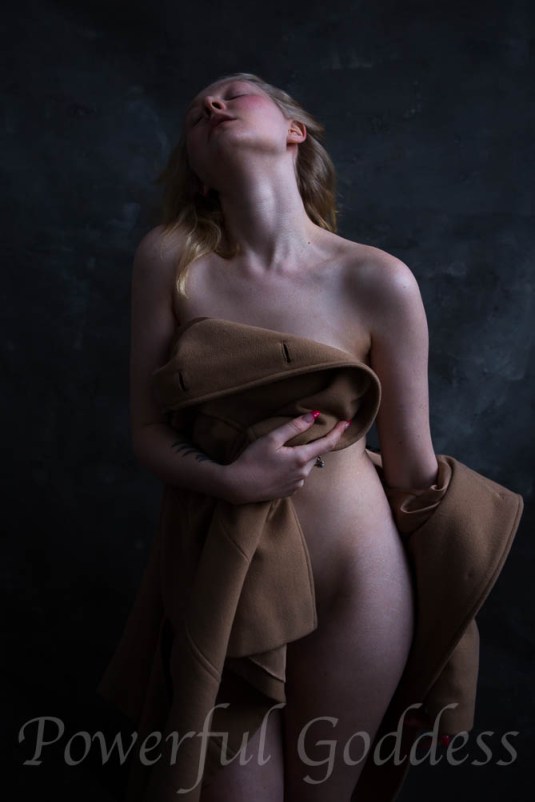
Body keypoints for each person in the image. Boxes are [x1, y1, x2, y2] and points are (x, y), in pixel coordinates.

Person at [128, 71, 441, 801]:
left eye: (234, 93)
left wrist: (453, 622)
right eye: (196, 111)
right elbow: (145, 431)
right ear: (197, 171)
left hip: (361, 578)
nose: (212, 105)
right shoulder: (171, 260)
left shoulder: (379, 279)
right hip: (226, 573)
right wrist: (229, 480)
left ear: (294, 131)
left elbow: (411, 470)